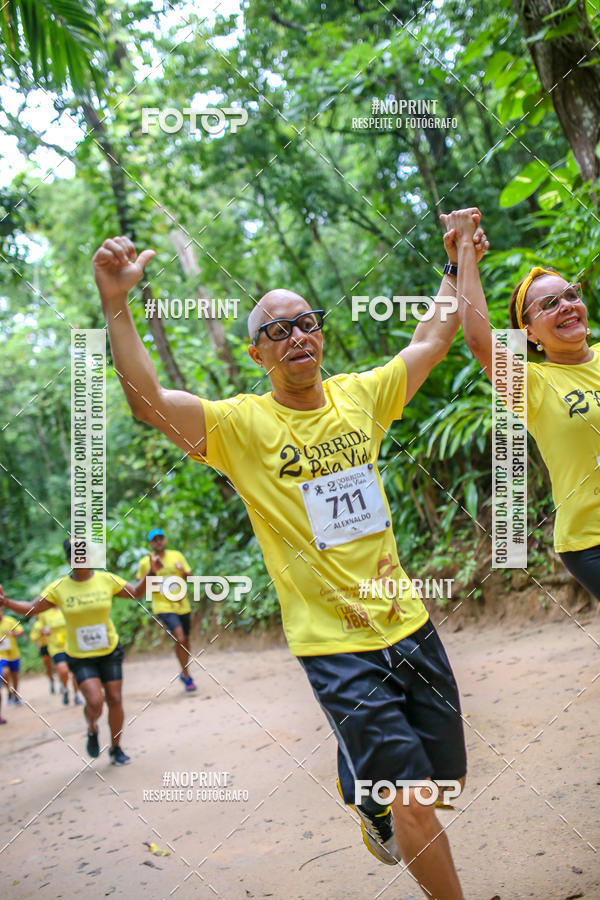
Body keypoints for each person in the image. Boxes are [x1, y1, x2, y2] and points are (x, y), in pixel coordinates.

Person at [93, 218, 488, 900]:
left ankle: (364, 792)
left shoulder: (361, 396)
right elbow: (149, 402)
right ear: (256, 354)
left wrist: (456, 263)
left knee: (445, 778)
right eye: (277, 330)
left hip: (407, 621)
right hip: (332, 643)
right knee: (414, 797)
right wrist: (115, 301)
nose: (297, 335)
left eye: (306, 322)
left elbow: (432, 336)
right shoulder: (241, 427)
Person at [447, 208, 600, 600]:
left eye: (571, 295)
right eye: (549, 304)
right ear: (529, 333)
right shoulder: (532, 385)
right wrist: (465, 253)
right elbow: (479, 340)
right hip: (591, 541)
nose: (566, 305)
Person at [0, 539, 160, 763]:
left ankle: (116, 748)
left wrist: (151, 573)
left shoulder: (106, 579)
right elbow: (31, 608)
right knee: (95, 701)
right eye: (75, 555)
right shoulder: (59, 588)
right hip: (80, 656)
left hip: (109, 651)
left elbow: (136, 592)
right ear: (69, 560)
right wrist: (5, 602)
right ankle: (92, 726)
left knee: (114, 698)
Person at [136, 528, 197, 692]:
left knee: (186, 640)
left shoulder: (177, 556)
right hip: (162, 606)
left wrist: (182, 571)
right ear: (150, 544)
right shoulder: (145, 563)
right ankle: (186, 674)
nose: (158, 542)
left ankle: (184, 672)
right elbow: (139, 587)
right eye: (154, 540)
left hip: (182, 605)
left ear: (165, 540)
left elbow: (191, 578)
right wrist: (153, 576)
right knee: (180, 638)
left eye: (160, 538)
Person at [32, 607, 83, 705]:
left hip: (72, 644)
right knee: (63, 670)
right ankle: (65, 688)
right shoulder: (45, 613)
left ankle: (77, 694)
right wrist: (43, 632)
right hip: (56, 647)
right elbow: (39, 628)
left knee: (75, 672)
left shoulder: (67, 606)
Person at [0, 606, 24, 719]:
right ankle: (9, 691)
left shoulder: (10, 621)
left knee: (15, 676)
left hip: (13, 654)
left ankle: (15, 694)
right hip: (1, 655)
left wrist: (12, 634)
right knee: (4, 673)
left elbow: (21, 631)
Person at [30, 614, 55, 694]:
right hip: (43, 647)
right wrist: (40, 634)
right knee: (48, 666)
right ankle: (51, 681)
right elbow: (32, 637)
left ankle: (62, 681)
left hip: (53, 644)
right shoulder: (36, 625)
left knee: (57, 664)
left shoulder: (50, 620)